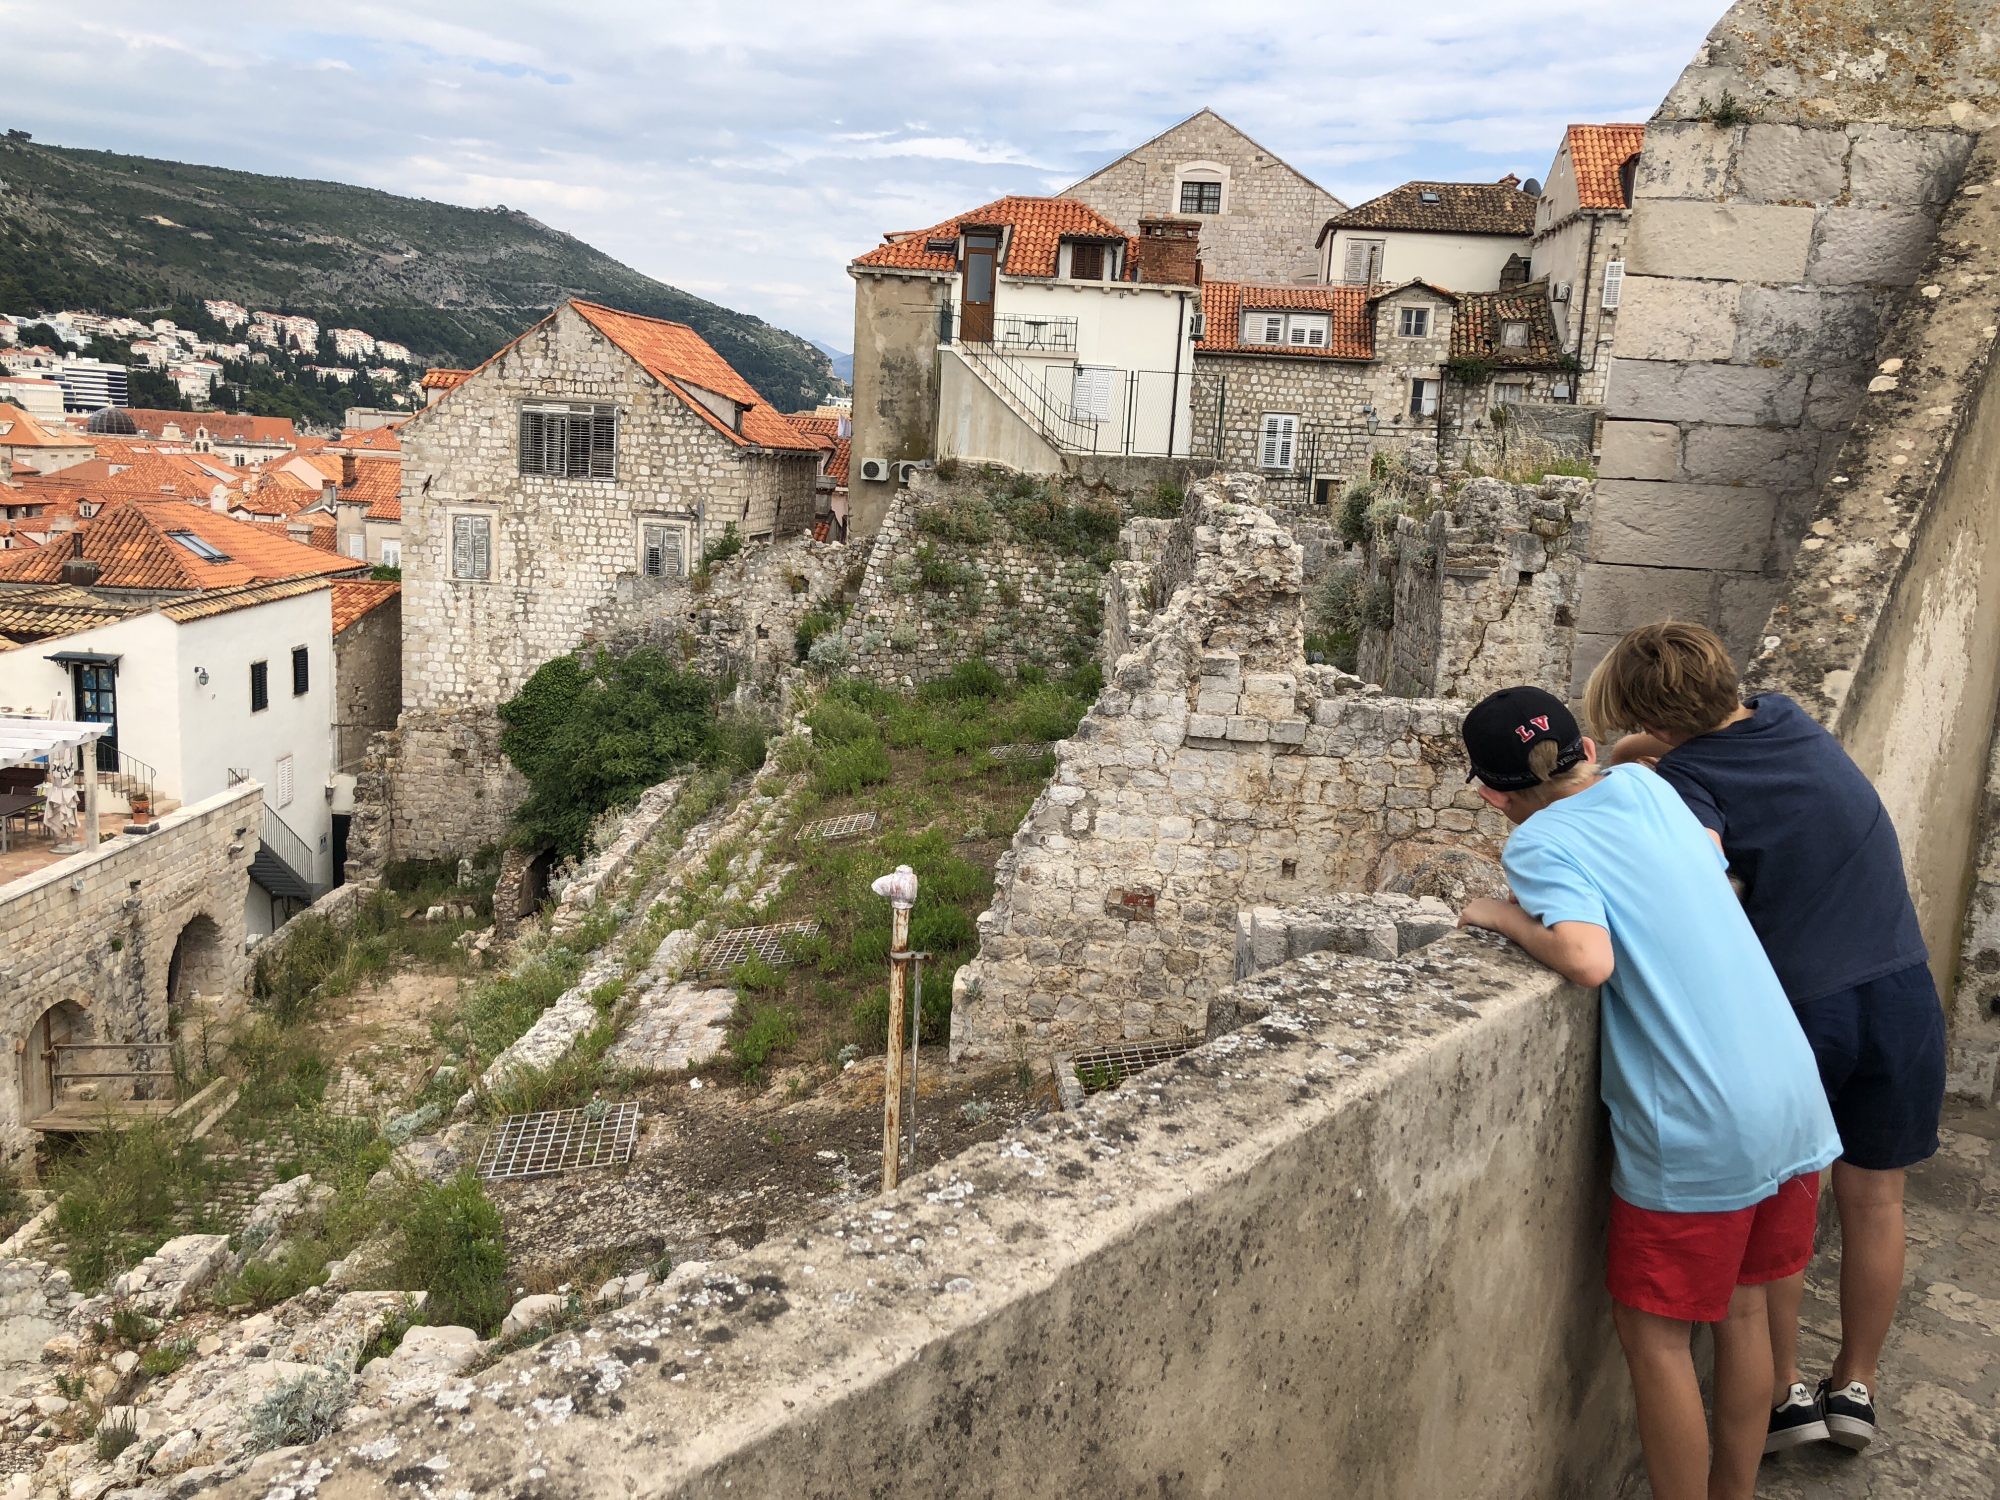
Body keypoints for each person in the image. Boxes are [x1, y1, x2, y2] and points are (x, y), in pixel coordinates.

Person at [1456, 686, 1841, 1500]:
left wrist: (1499, 917)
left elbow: (1588, 959)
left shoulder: (1537, 845)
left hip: (1701, 1120)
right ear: (1588, 750)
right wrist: (1623, 757)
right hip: (1787, 1088)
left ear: (1493, 795)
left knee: (1655, 1336)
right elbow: (1669, 807)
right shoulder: (1651, 790)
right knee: (1742, 1315)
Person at [1587, 622, 1945, 1455]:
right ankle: (1857, 1382)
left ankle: (1784, 1391)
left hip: (1807, 1011)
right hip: (1900, 990)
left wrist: (1609, 773)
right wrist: (1636, 745)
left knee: (1787, 1201)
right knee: (1878, 1199)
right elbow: (1687, 729)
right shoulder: (1786, 717)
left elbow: (1699, 868)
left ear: (1661, 732)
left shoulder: (1689, 785)